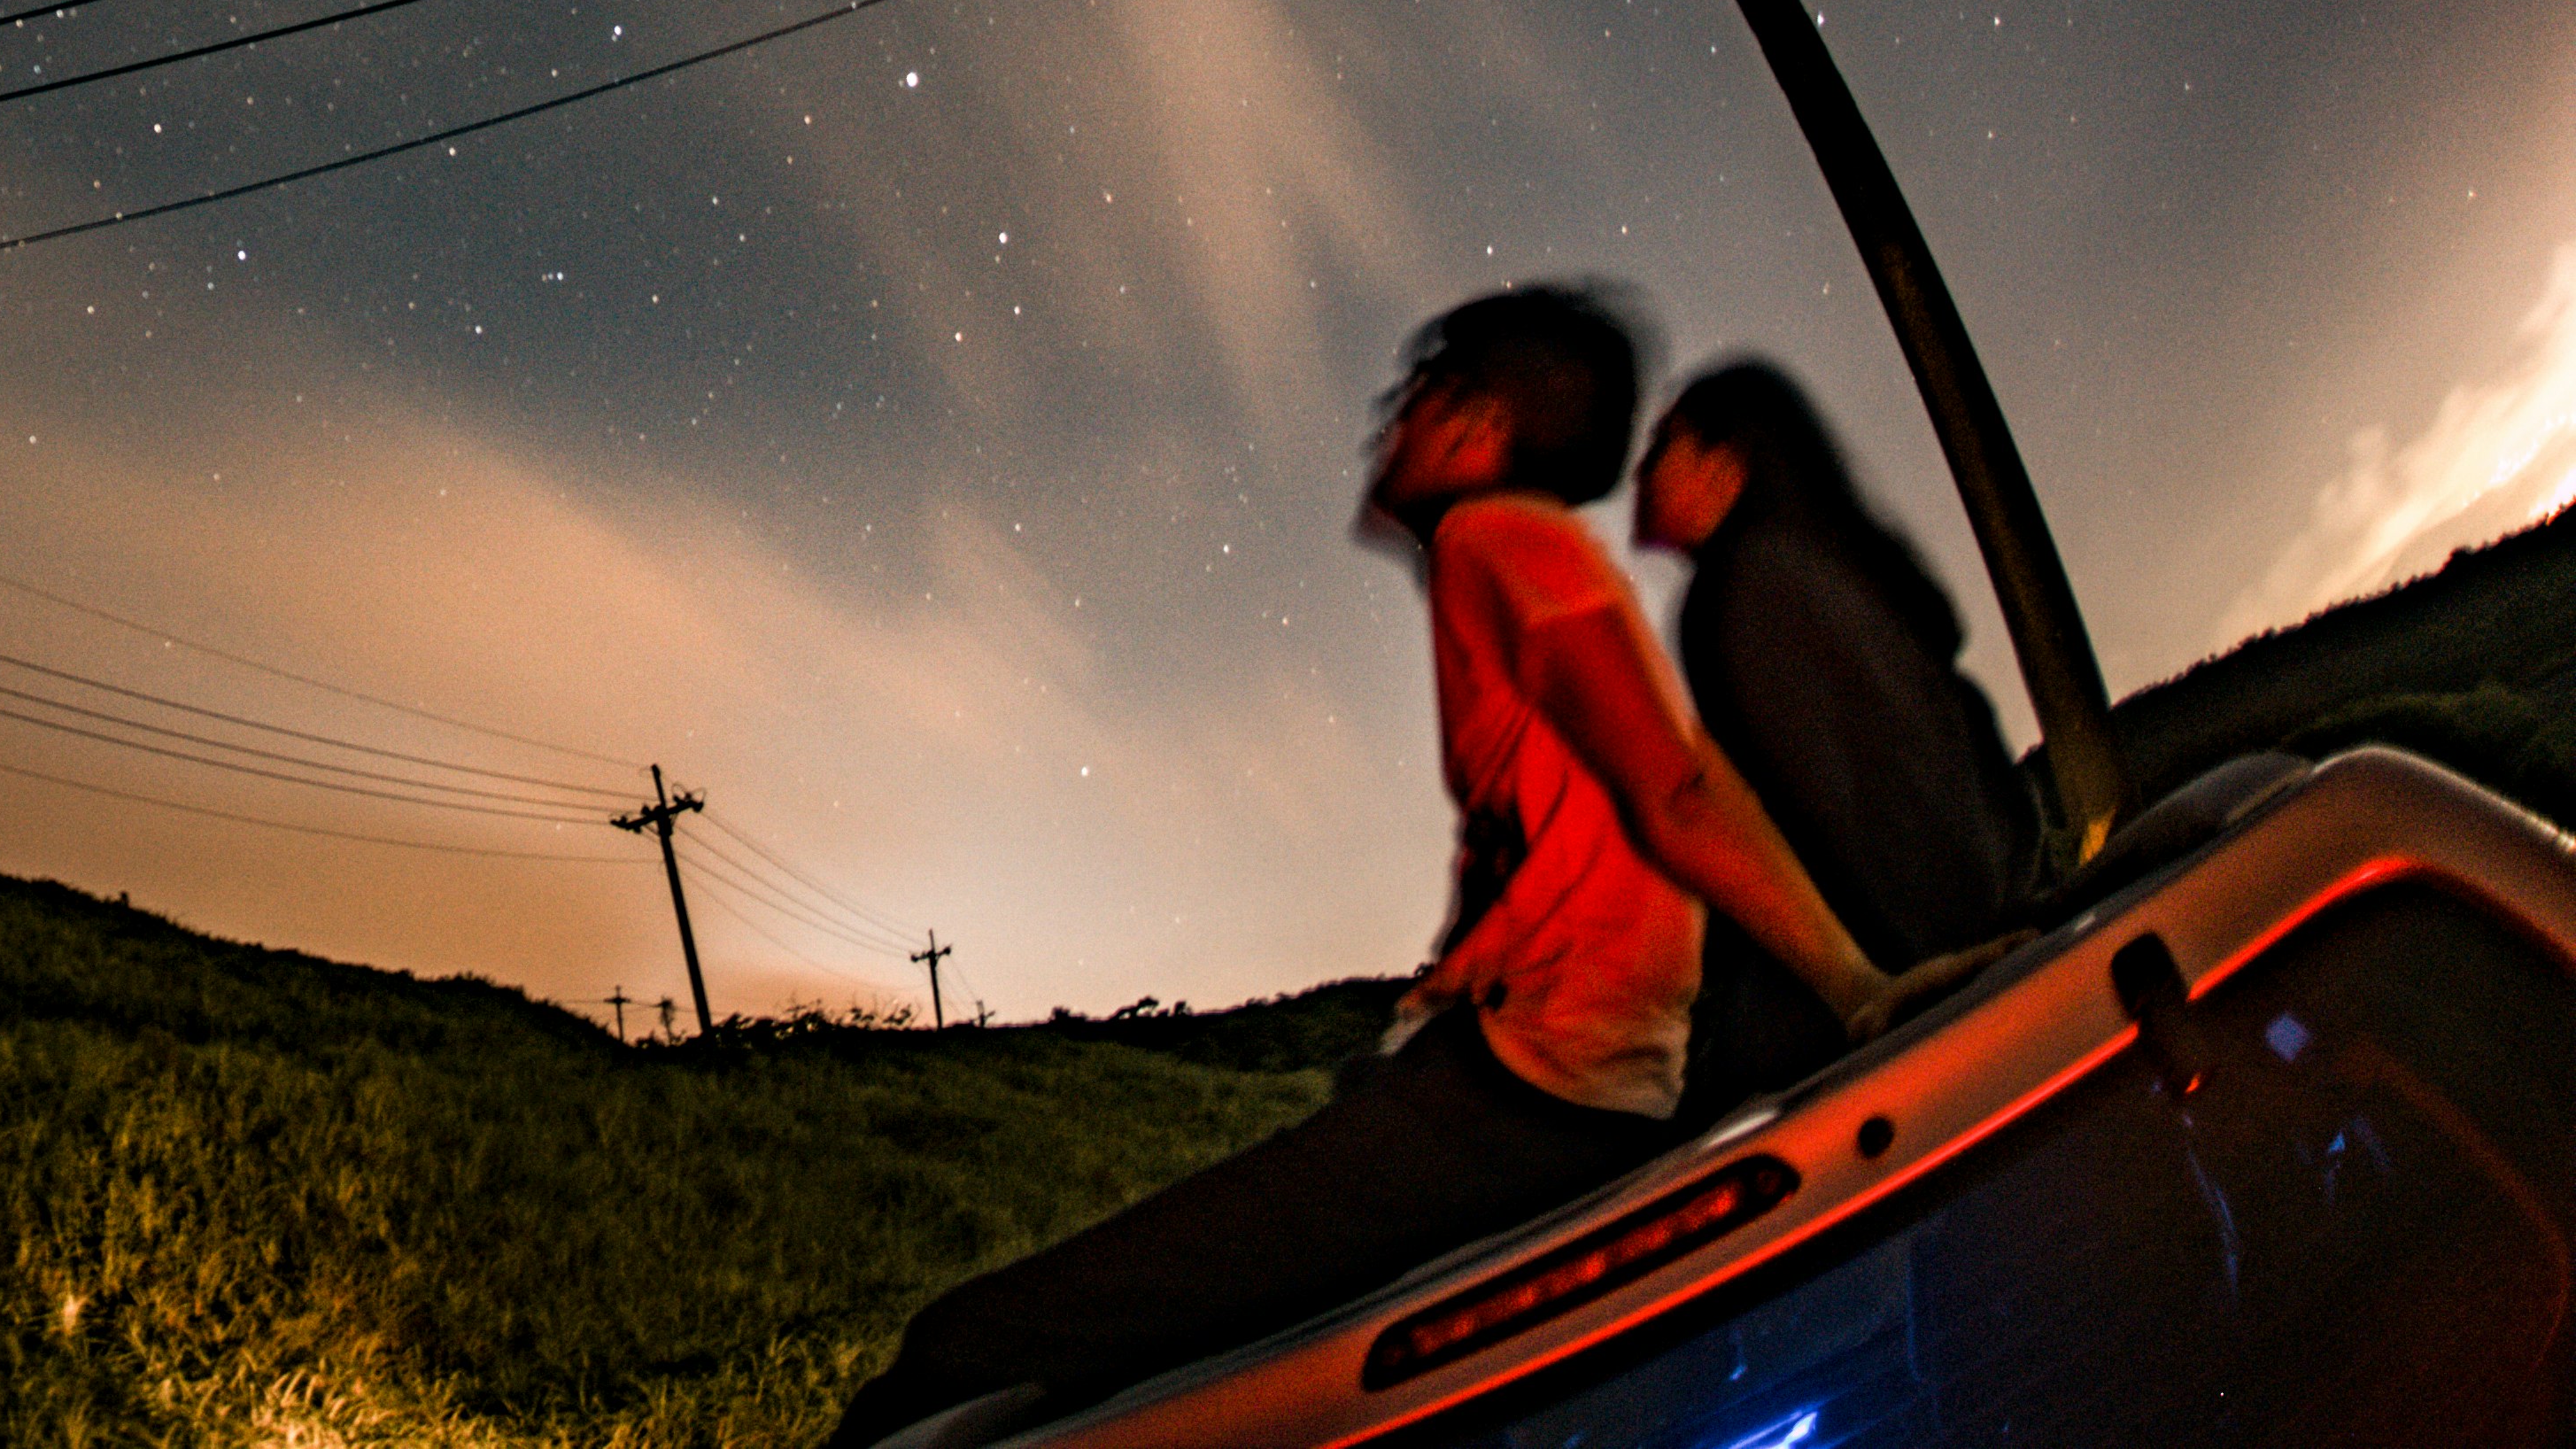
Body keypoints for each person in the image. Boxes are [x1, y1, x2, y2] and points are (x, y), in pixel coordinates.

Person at [820, 287, 1890, 1449]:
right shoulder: (1536, 565)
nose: (1383, 430)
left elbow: (1672, 786)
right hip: (1543, 1077)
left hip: (1524, 1091)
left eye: (1405, 399)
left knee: (961, 1353)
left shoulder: (1502, 537)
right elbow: (1653, 783)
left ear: (1474, 424)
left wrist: (1858, 987)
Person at [1636, 357, 2038, 1118]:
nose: (1640, 470)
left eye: (1664, 445)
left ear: (1725, 470)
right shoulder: (1835, 583)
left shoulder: (1741, 596)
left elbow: (1820, 839)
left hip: (1866, 1025)